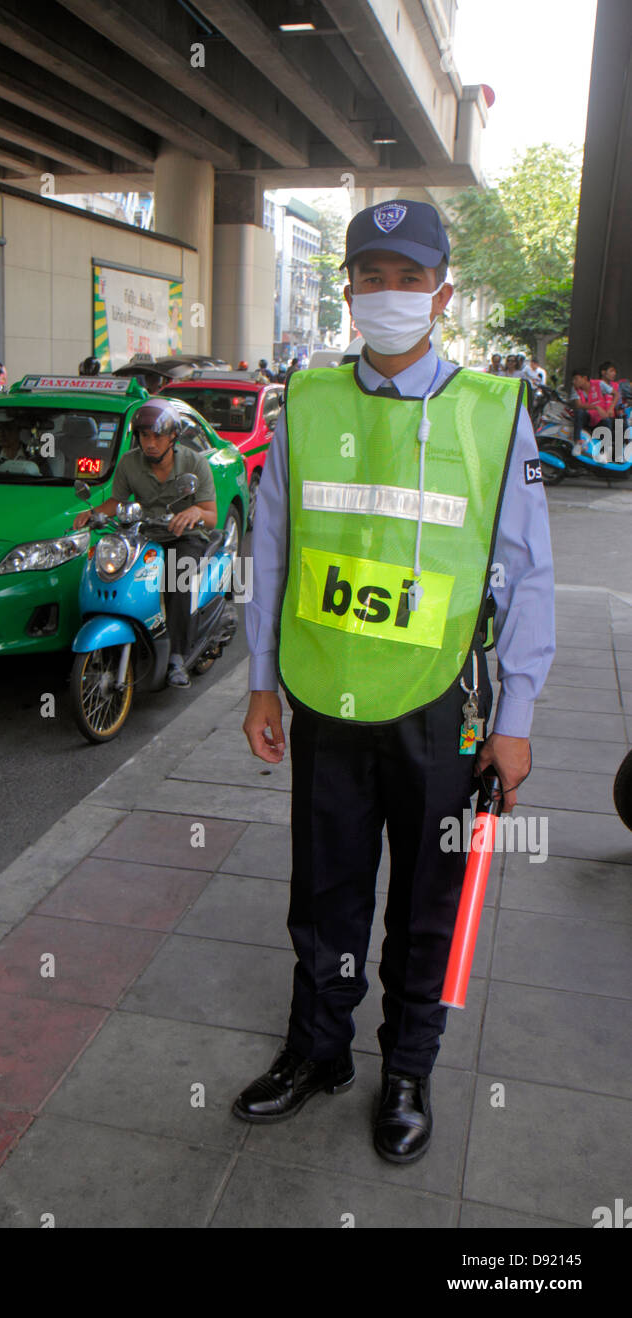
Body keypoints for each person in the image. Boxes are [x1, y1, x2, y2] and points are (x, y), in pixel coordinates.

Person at [234, 198, 554, 1162]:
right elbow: (275, 550)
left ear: (442, 294)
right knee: (324, 891)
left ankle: (407, 1067)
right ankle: (318, 1049)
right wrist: (259, 682)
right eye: (369, 276)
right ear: (347, 290)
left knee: (428, 896)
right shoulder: (309, 403)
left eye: (408, 278)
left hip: (441, 708)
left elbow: (528, 573)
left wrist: (519, 715)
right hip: (325, 696)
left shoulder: (495, 417)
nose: (387, 294)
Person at [72, 399, 217, 688]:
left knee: (178, 578)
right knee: (113, 569)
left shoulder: (194, 463)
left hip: (183, 536)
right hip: (143, 532)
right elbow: (118, 501)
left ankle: (177, 655)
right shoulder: (129, 463)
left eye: (157, 436)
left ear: (172, 436)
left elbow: (211, 516)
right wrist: (94, 513)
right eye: (144, 436)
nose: (150, 443)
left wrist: (194, 512)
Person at [571, 368, 616, 457]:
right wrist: (596, 407)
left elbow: (616, 394)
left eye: (576, 379)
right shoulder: (575, 389)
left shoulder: (599, 384)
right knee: (578, 412)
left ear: (584, 378)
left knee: (608, 420)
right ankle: (577, 443)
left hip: (599, 419)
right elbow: (578, 405)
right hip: (587, 419)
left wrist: (611, 408)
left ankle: (604, 452)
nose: (573, 382)